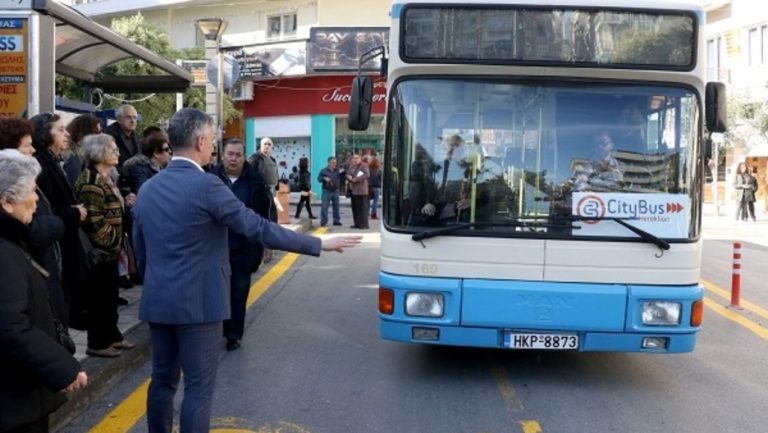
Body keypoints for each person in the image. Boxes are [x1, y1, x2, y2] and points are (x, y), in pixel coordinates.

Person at [131, 108, 361, 433]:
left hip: (158, 302)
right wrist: (317, 244)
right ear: (199, 141)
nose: (214, 148)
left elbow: (141, 252)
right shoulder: (207, 186)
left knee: (162, 382)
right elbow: (257, 227)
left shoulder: (148, 190)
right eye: (212, 141)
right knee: (198, 388)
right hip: (201, 307)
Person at [0, 149, 88, 433]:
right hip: (15, 402)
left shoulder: (12, 241)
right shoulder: (4, 251)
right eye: (30, 191)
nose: (36, 199)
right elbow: (10, 324)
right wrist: (63, 367)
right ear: (6, 202)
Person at [0, 118, 70, 328]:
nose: (32, 150)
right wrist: (60, 222)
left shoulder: (32, 175)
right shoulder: (7, 250)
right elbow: (32, 230)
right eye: (26, 145)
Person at [75, 134, 136, 358]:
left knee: (109, 296)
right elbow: (92, 220)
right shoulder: (91, 181)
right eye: (113, 149)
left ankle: (112, 335)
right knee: (99, 299)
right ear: (99, 153)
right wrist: (112, 241)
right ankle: (98, 342)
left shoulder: (106, 177)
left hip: (111, 252)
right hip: (100, 253)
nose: (118, 152)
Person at [30, 112, 90, 331]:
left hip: (64, 241)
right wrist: (73, 212)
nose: (67, 134)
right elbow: (43, 210)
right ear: (45, 134)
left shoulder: (52, 160)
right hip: (56, 247)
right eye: (60, 130)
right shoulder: (40, 164)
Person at [210, 138, 271, 351]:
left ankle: (233, 335)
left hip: (243, 250)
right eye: (230, 154)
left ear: (243, 157)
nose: (233, 158)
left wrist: (267, 244)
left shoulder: (256, 183)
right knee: (217, 293)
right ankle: (218, 329)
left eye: (238, 154)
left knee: (239, 292)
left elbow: (265, 215)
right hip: (214, 249)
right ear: (222, 155)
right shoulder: (210, 179)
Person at [249, 137, 278, 262]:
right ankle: (260, 250)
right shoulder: (255, 158)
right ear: (261, 145)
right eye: (265, 144)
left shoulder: (272, 159)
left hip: (270, 192)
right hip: (259, 192)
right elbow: (248, 174)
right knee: (261, 219)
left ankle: (268, 247)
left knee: (271, 219)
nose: (267, 146)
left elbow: (275, 175)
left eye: (269, 144)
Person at [121, 129, 172, 195]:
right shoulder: (139, 170)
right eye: (166, 149)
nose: (170, 152)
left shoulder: (162, 169)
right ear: (156, 153)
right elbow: (144, 194)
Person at [63, 113, 102, 188]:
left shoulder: (80, 154)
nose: (99, 137)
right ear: (85, 133)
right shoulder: (74, 157)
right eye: (96, 133)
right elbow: (74, 187)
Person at [104, 105, 140, 169]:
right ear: (119, 119)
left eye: (135, 118)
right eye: (128, 117)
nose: (132, 121)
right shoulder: (108, 135)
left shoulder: (137, 138)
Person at [346, 153, 371, 229]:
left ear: (360, 159)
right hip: (353, 190)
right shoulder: (351, 166)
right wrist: (348, 176)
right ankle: (357, 223)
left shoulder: (363, 165)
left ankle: (363, 225)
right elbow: (347, 174)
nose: (355, 159)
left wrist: (356, 179)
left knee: (362, 208)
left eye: (357, 158)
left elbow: (367, 174)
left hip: (361, 190)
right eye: (354, 158)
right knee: (355, 208)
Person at [318, 156, 342, 227]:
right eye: (332, 163)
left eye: (335, 163)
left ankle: (336, 220)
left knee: (336, 206)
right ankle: (323, 221)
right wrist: (324, 178)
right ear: (328, 163)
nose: (334, 164)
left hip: (336, 191)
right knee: (324, 206)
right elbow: (319, 179)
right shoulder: (323, 171)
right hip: (326, 191)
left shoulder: (338, 171)